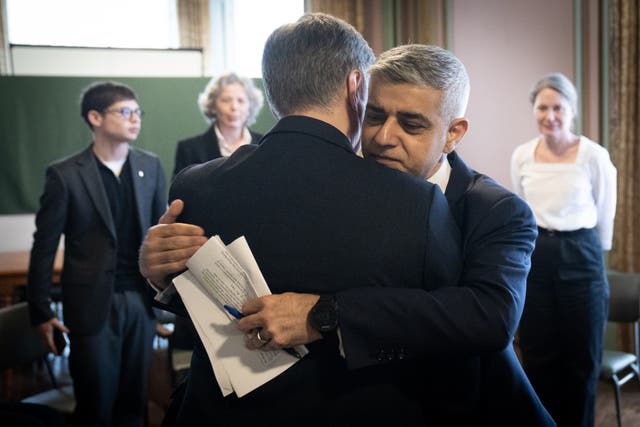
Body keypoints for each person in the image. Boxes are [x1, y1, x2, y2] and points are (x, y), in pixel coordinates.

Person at [141, 36, 554, 427]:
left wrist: (325, 313)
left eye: (411, 125)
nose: (382, 137)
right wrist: (166, 275)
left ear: (453, 133)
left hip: (446, 406)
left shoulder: (496, 209)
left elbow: (491, 316)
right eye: (374, 115)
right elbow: (258, 291)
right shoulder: (333, 183)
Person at [27, 81, 167, 426]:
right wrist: (40, 310)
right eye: (125, 111)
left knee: (135, 401)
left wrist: (168, 300)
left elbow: (160, 235)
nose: (135, 119)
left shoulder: (149, 166)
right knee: (96, 402)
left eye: (138, 112)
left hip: (140, 299)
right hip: (91, 305)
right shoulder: (64, 175)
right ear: (95, 117)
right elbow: (44, 247)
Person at [511, 72, 616, 426]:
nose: (550, 115)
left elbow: (605, 215)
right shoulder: (522, 155)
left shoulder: (593, 156)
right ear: (534, 110)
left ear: (571, 110)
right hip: (536, 258)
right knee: (539, 358)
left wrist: (589, 253)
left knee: (581, 361)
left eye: (558, 107)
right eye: (543, 107)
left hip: (582, 257)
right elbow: (523, 210)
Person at [173, 72, 264, 177]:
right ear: (212, 106)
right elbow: (180, 191)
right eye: (226, 100)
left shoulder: (264, 145)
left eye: (241, 101)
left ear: (250, 106)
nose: (234, 107)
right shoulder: (189, 150)